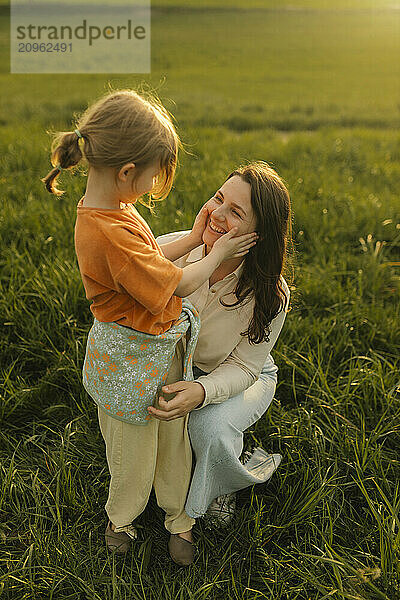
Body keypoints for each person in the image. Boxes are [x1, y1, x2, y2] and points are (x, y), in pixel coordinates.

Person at [40, 88, 259, 566]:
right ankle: (121, 519)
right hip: (130, 363)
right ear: (126, 173)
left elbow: (152, 260)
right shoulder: (107, 231)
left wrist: (196, 238)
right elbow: (176, 284)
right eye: (154, 175)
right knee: (133, 455)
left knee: (174, 445)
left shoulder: (113, 209)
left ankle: (178, 518)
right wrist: (215, 253)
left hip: (160, 354)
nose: (155, 185)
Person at [150, 161, 292, 546]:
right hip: (178, 364)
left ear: (258, 236)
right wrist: (195, 242)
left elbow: (246, 364)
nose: (218, 214)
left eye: (236, 212)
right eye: (218, 198)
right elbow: (127, 265)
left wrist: (202, 392)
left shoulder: (271, 292)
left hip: (242, 371)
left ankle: (220, 486)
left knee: (207, 429)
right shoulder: (183, 246)